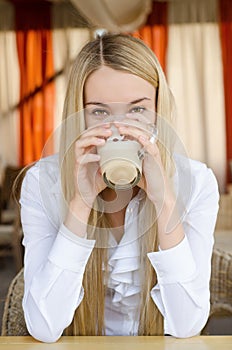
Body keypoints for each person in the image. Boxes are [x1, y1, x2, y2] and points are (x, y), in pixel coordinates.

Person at [20, 33, 219, 343]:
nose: (118, 129)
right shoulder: (41, 183)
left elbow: (186, 325)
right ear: (79, 114)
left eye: (137, 110)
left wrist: (164, 201)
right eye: (99, 112)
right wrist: (80, 204)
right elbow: (45, 328)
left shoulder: (196, 183)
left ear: (158, 110)